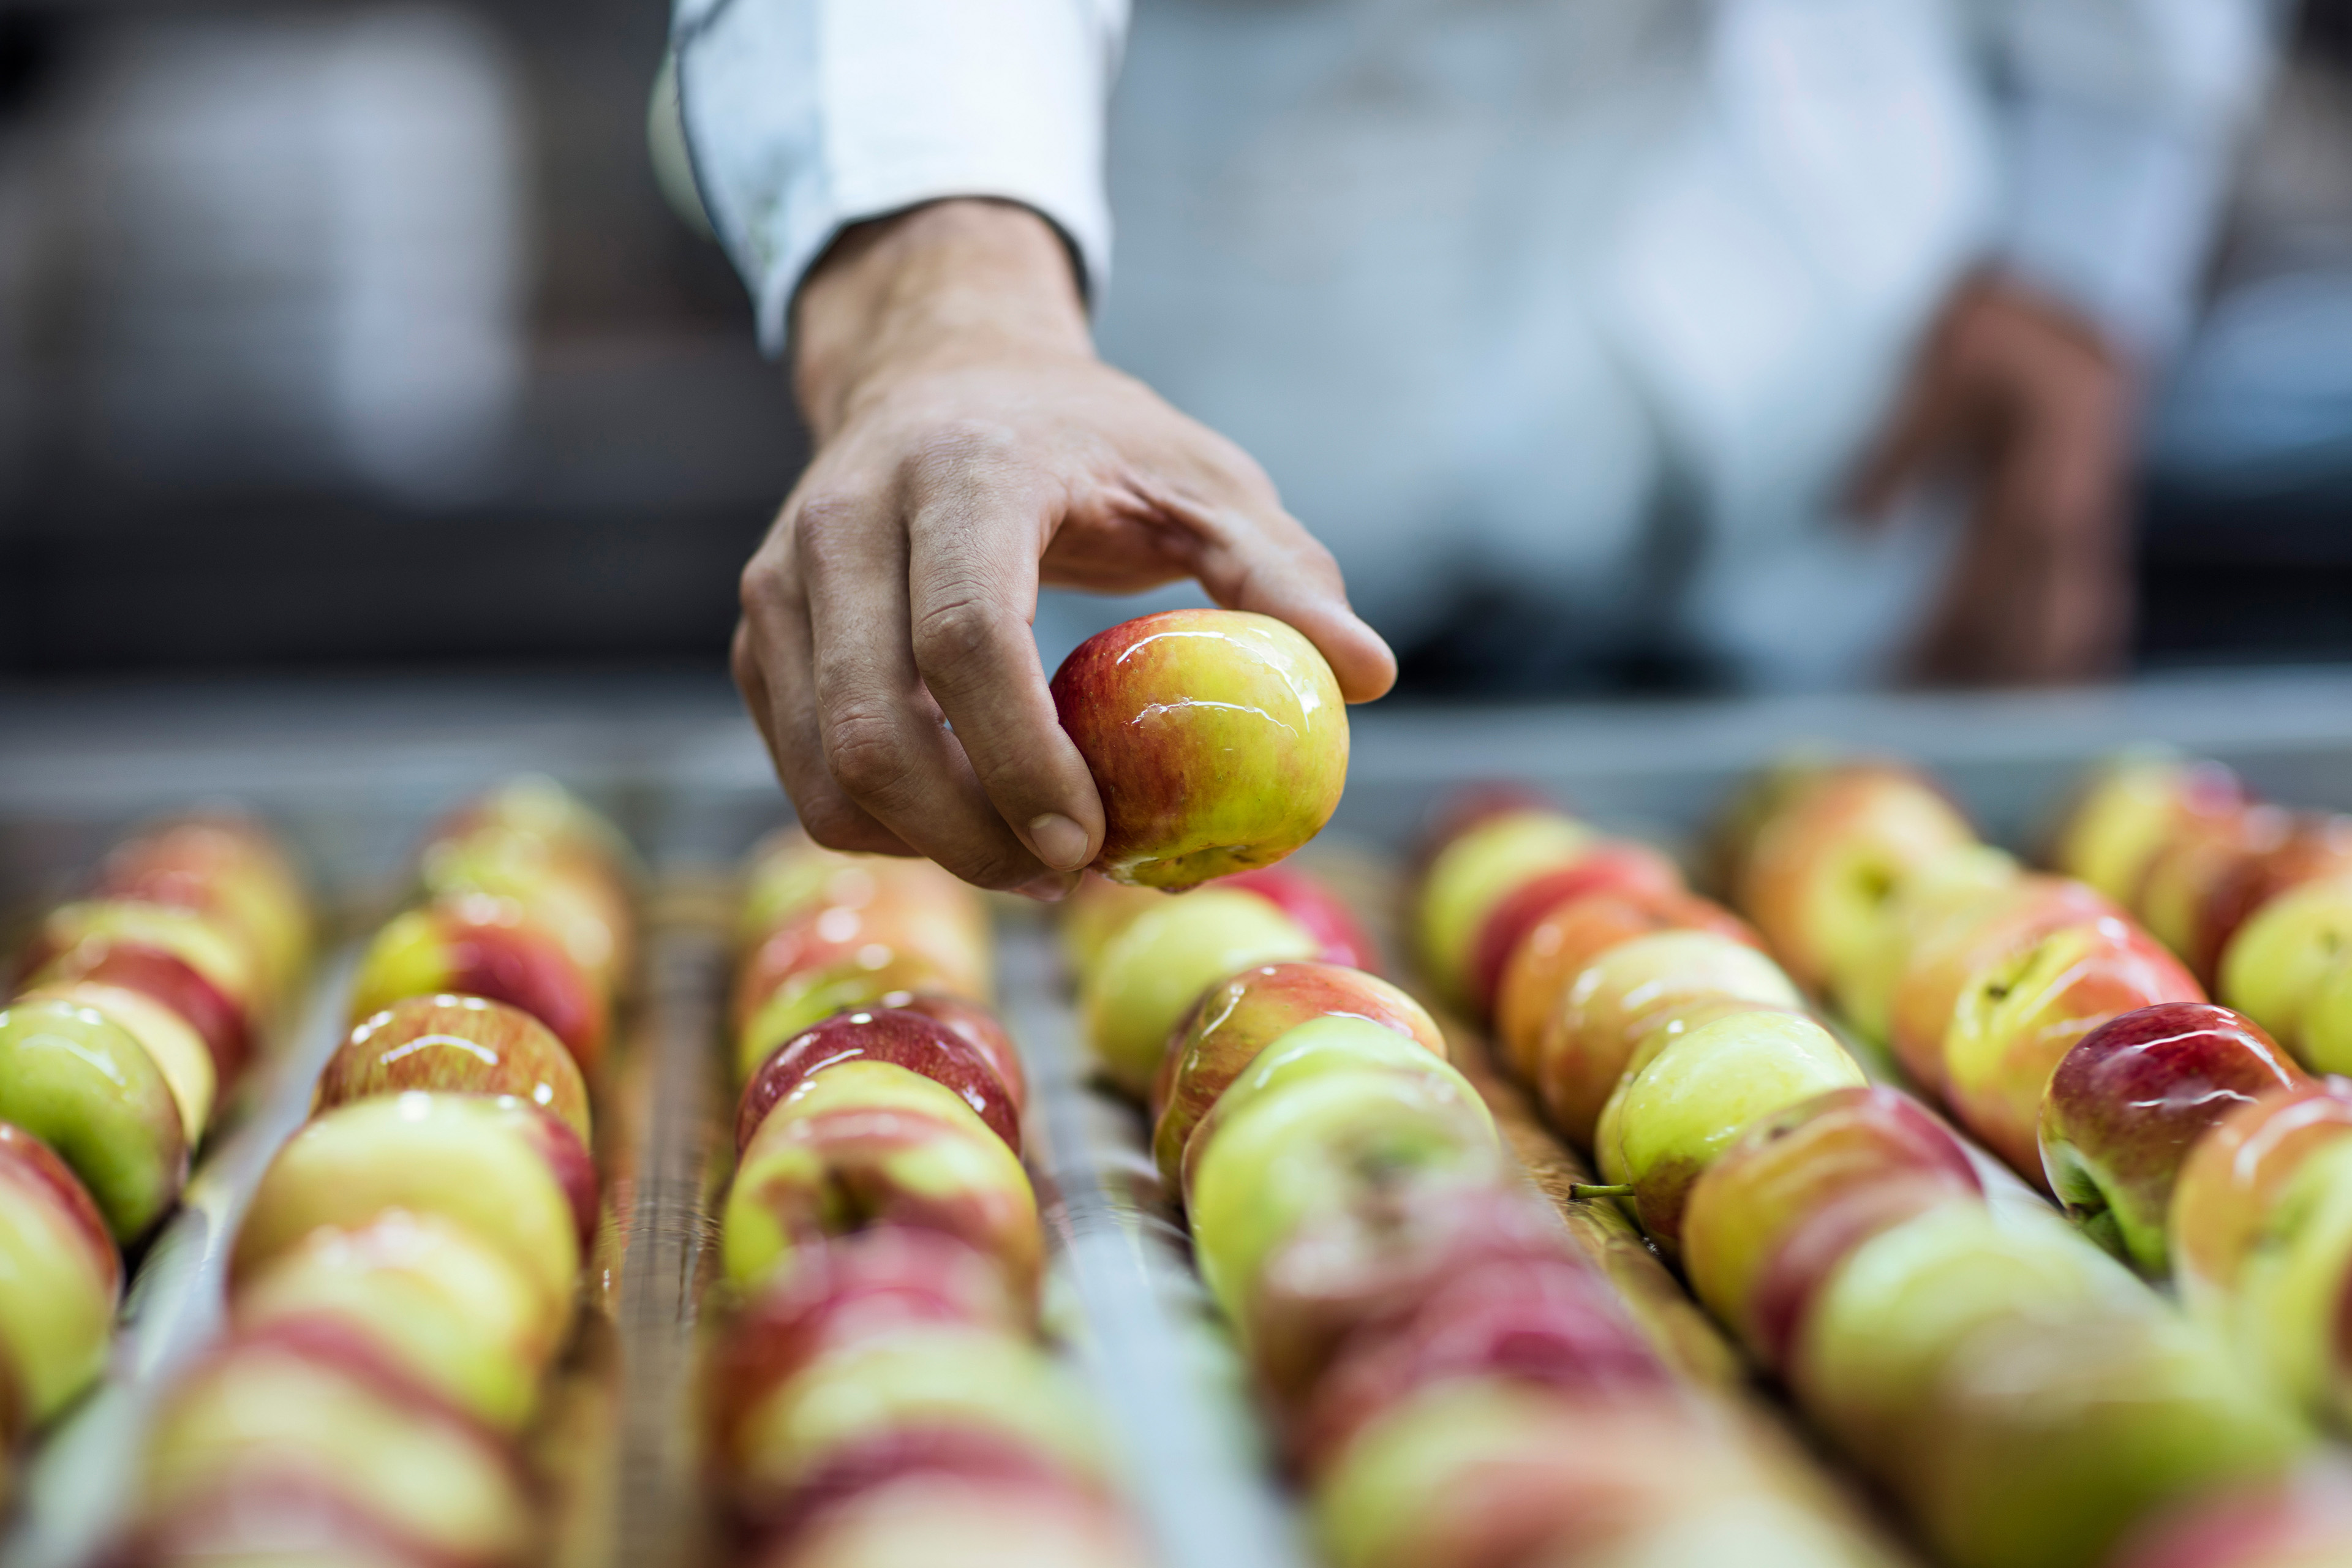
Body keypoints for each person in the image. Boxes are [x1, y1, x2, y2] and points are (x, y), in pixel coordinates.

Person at [667, 0, 2280, 897]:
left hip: (1819, 393)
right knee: (1060, 863)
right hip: (1156, 442)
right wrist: (953, 302)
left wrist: (2091, 219)